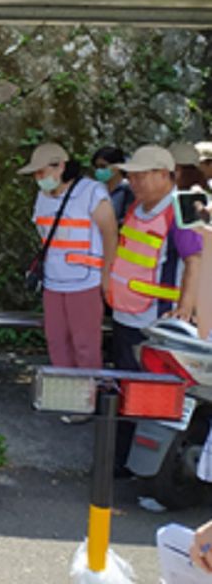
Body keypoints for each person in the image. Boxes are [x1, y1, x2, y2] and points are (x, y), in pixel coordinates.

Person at [108, 144, 203, 473]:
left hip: (154, 322)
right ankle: (120, 462)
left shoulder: (186, 206)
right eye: (131, 175)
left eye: (140, 175)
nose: (133, 181)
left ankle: (135, 468)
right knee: (124, 389)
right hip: (126, 314)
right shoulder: (138, 206)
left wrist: (186, 309)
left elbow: (196, 261)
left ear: (165, 175)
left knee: (146, 395)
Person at [18, 143, 117, 381]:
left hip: (85, 282)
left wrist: (106, 276)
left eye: (42, 172)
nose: (38, 178)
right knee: (57, 342)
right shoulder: (42, 196)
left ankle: (85, 399)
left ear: (60, 166)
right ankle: (66, 395)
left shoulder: (92, 192)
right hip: (53, 281)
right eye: (35, 173)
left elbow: (111, 234)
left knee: (85, 345)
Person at [91, 145, 134, 226]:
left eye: (103, 166)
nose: (99, 171)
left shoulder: (129, 191)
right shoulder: (95, 190)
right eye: (96, 167)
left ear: (117, 166)